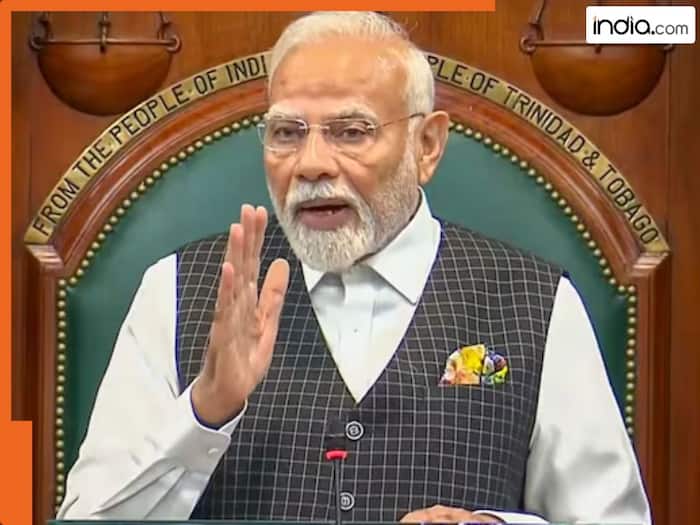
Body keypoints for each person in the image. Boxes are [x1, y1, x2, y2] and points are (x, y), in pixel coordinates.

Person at [58, 11, 651, 524]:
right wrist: (205, 411)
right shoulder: (177, 289)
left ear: (427, 146)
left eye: (352, 131)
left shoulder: (535, 301)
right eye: (286, 133)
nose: (311, 164)